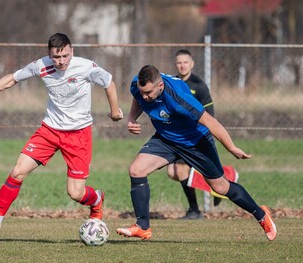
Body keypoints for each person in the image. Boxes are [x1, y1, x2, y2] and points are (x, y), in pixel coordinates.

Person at [0, 33, 123, 236]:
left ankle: (96, 199)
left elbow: (109, 83)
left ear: (72, 51)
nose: (61, 61)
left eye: (65, 56)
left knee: (75, 193)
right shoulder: (41, 65)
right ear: (49, 55)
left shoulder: (86, 66)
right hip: (49, 131)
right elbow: (14, 78)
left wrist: (114, 111)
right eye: (56, 57)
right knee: (17, 171)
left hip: (78, 134)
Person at [116, 65, 276, 241]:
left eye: (148, 93)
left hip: (196, 141)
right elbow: (138, 99)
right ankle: (142, 226)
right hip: (166, 139)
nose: (144, 97)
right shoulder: (138, 85)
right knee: (136, 170)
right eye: (142, 92)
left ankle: (261, 214)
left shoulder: (179, 98)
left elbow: (211, 122)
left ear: (160, 86)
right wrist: (132, 118)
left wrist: (231, 147)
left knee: (220, 187)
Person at [167, 49, 222, 220]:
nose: (182, 65)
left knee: (181, 170)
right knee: (172, 172)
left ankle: (194, 210)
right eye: (179, 62)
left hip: (194, 135)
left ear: (192, 63)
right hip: (177, 135)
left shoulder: (199, 85)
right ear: (175, 65)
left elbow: (209, 114)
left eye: (185, 62)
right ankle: (217, 181)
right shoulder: (170, 83)